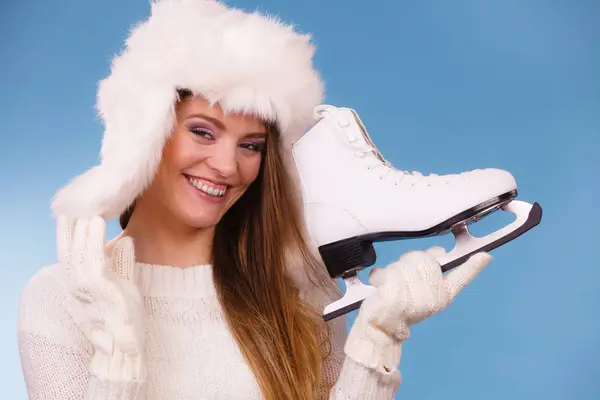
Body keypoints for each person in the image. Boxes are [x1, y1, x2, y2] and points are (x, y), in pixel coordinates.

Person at [17, 1, 492, 399]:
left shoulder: (294, 291)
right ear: (145, 136)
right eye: (202, 132)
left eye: (251, 146)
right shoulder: (62, 298)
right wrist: (117, 361)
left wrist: (378, 341)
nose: (227, 166)